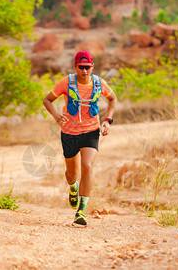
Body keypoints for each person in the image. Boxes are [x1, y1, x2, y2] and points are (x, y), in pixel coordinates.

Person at [43, 50, 117, 226]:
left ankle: (81, 211)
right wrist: (55, 116)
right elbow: (47, 100)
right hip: (69, 132)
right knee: (71, 174)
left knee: (87, 166)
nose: (84, 71)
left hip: (91, 131)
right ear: (75, 66)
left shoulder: (99, 83)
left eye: (87, 67)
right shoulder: (67, 82)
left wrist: (107, 121)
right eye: (81, 67)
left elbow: (113, 99)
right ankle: (73, 187)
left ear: (92, 66)